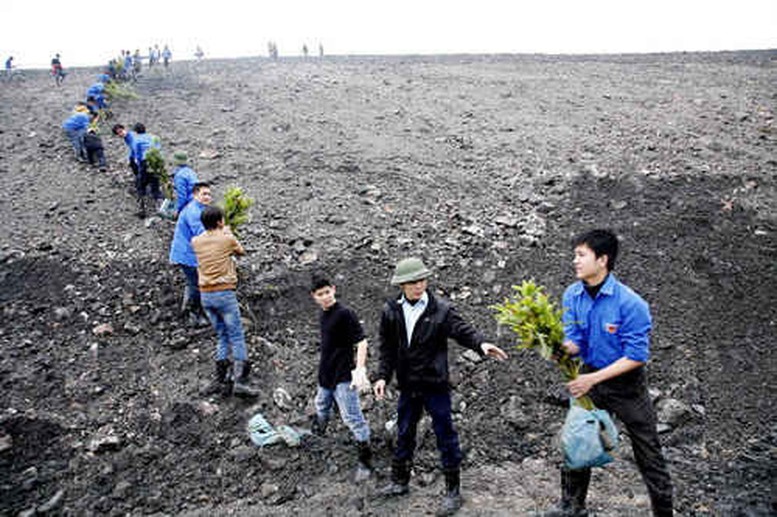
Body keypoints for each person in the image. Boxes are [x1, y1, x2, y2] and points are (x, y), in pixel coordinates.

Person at [543, 229, 673, 517]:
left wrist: (592, 379)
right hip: (591, 378)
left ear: (602, 260)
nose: (574, 261)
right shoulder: (572, 294)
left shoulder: (631, 304)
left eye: (581, 255)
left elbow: (636, 357)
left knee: (648, 453)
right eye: (574, 254)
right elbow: (576, 340)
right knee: (578, 442)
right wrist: (561, 349)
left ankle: (664, 512)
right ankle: (572, 507)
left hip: (627, 386)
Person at [374, 257, 508, 516]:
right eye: (413, 282)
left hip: (435, 385)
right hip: (408, 385)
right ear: (402, 284)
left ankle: (452, 490)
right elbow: (387, 348)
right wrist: (381, 376)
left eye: (422, 280)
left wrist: (481, 344)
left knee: (445, 435)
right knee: (404, 432)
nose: (419, 286)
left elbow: (462, 330)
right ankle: (400, 481)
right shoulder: (391, 311)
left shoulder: (441, 310)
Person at [309, 273, 373, 480]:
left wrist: (360, 369)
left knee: (352, 417)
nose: (325, 297)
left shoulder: (345, 314)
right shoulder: (323, 314)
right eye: (321, 294)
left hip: (344, 376)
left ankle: (365, 461)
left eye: (328, 292)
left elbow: (362, 342)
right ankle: (319, 437)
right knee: (320, 405)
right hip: (326, 373)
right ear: (314, 297)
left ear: (334, 289)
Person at [192, 204, 258, 397]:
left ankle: (221, 379)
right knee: (236, 335)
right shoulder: (226, 238)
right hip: (224, 294)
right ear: (220, 221)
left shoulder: (196, 241)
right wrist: (226, 232)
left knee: (221, 335)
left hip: (206, 295)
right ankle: (240, 381)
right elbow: (241, 252)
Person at [170, 182, 211, 328]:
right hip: (187, 254)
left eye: (209, 194)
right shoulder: (193, 211)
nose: (207, 197)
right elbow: (201, 233)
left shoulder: (202, 208)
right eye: (204, 194)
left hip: (191, 253)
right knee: (197, 284)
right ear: (195, 195)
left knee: (193, 282)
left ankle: (189, 307)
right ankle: (194, 314)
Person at [131, 122, 163, 217]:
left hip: (145, 161)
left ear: (136, 131)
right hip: (156, 160)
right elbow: (158, 148)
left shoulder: (136, 139)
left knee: (141, 183)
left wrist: (138, 163)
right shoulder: (153, 137)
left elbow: (137, 154)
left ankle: (142, 207)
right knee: (155, 180)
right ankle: (160, 205)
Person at [171, 151, 198, 215]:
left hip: (192, 203)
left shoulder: (179, 176)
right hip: (198, 198)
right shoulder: (190, 171)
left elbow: (182, 197)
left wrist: (177, 210)